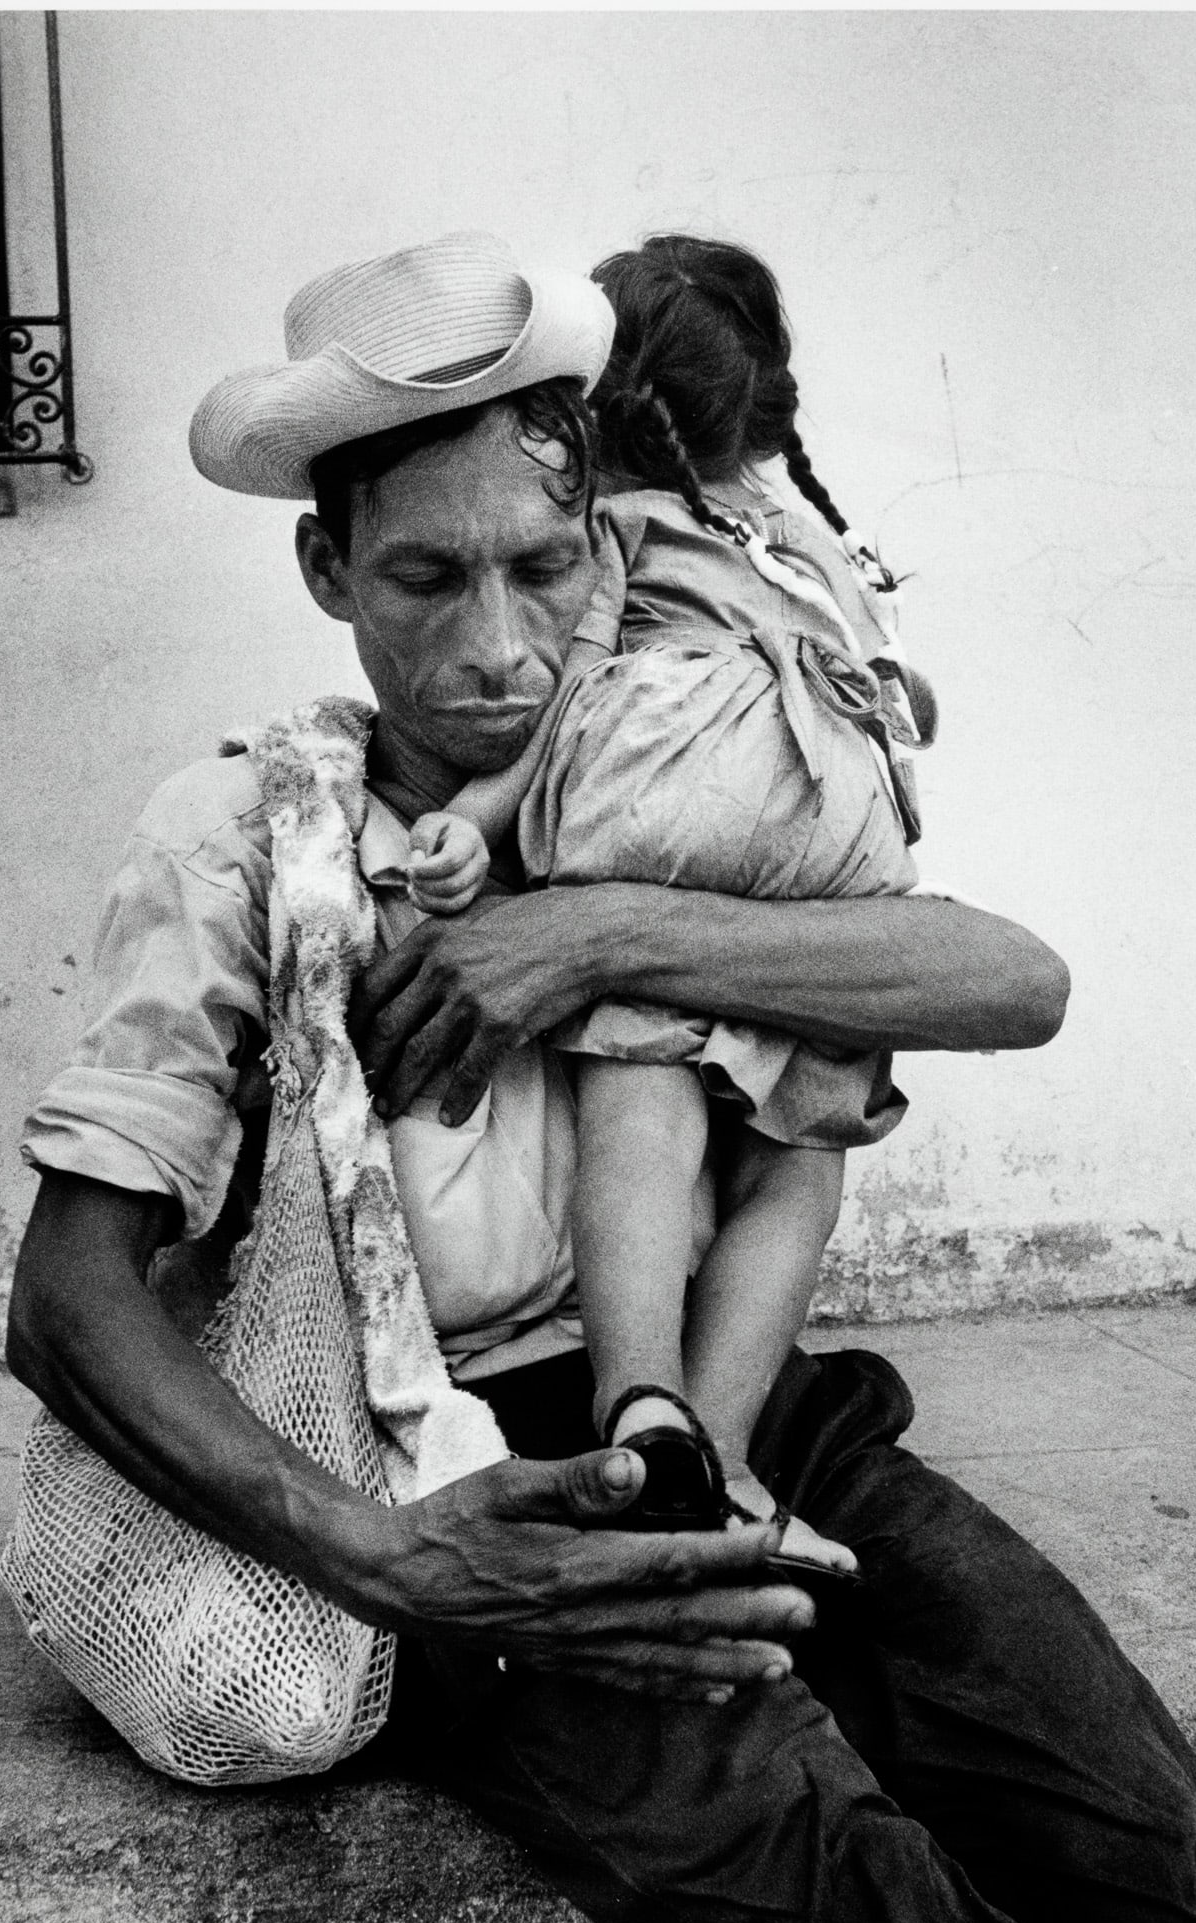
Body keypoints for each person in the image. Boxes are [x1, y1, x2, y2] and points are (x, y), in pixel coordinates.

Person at [7, 232, 1196, 1923]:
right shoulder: (247, 840)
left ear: (608, 538)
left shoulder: (665, 773)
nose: (498, 646)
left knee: (1154, 1877)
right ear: (326, 567)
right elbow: (65, 1294)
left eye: (543, 567)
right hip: (476, 1462)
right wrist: (389, 1561)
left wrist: (589, 931)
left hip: (758, 1417)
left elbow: (1014, 980)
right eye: (422, 579)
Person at [395, 234, 942, 1585]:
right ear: (766, 403)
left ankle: (641, 1398)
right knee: (799, 1162)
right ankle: (734, 1446)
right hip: (828, 834)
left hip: (661, 820)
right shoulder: (802, 528)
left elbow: (576, 676)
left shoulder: (614, 524)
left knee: (638, 1107)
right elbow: (899, 686)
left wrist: (473, 819)